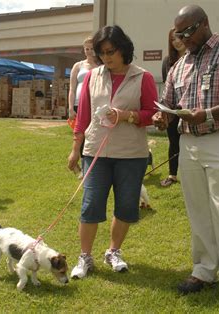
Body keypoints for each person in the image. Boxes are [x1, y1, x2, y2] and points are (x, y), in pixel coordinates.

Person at [153, 5, 219, 308]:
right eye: (179, 34)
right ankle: (203, 270)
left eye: (187, 32)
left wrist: (210, 114)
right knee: (198, 212)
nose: (183, 39)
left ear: (204, 24)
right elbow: (167, 103)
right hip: (190, 144)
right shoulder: (180, 65)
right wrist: (163, 119)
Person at [67, 25, 157, 279]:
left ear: (124, 49)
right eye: (102, 53)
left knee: (126, 205)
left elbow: (151, 113)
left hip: (131, 153)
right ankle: (85, 256)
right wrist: (76, 148)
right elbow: (83, 114)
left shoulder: (143, 77)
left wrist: (126, 116)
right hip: (96, 151)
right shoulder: (93, 76)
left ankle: (113, 251)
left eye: (111, 51)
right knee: (91, 204)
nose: (106, 58)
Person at [68, 36, 99, 178]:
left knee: (91, 135)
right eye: (87, 49)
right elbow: (72, 88)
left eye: (92, 48)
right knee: (79, 135)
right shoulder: (78, 66)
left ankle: (91, 165)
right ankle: (80, 167)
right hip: (78, 104)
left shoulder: (101, 65)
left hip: (94, 104)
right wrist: (70, 107)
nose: (89, 51)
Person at [160, 28, 186, 187]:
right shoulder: (168, 61)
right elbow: (167, 86)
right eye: (172, 39)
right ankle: (172, 174)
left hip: (190, 108)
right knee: (173, 141)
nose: (176, 41)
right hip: (172, 109)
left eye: (178, 37)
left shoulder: (195, 57)